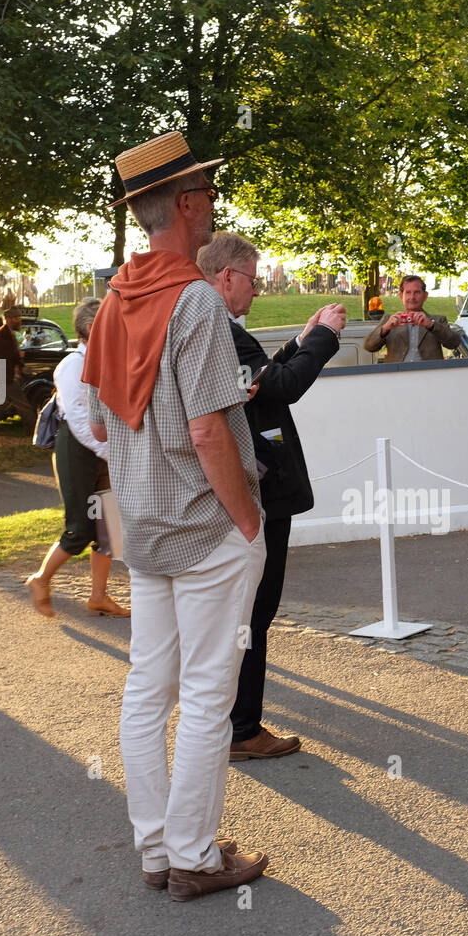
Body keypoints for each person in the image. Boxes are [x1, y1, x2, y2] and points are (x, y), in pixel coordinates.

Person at [82, 131, 269, 903]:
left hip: (146, 529)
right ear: (187, 204)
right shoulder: (192, 299)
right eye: (209, 192)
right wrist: (249, 518)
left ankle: (158, 847)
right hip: (205, 529)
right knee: (206, 696)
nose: (215, 203)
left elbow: (98, 420)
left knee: (147, 687)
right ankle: (194, 857)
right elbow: (207, 428)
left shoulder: (116, 298)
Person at [198, 232, 345, 759]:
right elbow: (282, 388)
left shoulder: (212, 326)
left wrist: (301, 339)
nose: (257, 291)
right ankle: (242, 729)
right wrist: (325, 337)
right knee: (255, 610)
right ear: (228, 277)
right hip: (257, 491)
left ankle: (233, 723)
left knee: (242, 611)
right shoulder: (221, 328)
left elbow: (262, 378)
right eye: (254, 280)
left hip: (236, 487)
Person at [25, 299, 128, 619]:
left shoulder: (111, 361)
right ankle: (41, 580)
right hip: (78, 450)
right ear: (89, 328)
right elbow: (81, 421)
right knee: (80, 529)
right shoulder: (72, 365)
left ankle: (98, 597)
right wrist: (110, 452)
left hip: (104, 449)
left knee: (109, 528)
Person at [363, 275, 462, 362]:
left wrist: (431, 325)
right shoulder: (390, 320)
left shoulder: (438, 320)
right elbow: (368, 346)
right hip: (398, 377)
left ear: (425, 295)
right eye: (408, 292)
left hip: (430, 377)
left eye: (417, 292)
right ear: (401, 296)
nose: (412, 297)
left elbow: (454, 343)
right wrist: (385, 329)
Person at [0, 307, 38, 434]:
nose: (19, 321)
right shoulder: (3, 335)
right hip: (5, 376)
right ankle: (33, 430)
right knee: (22, 404)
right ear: (8, 320)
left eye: (19, 318)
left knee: (0, 402)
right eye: (16, 318)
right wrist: (18, 358)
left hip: (3, 374)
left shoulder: (6, 333)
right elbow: (6, 356)